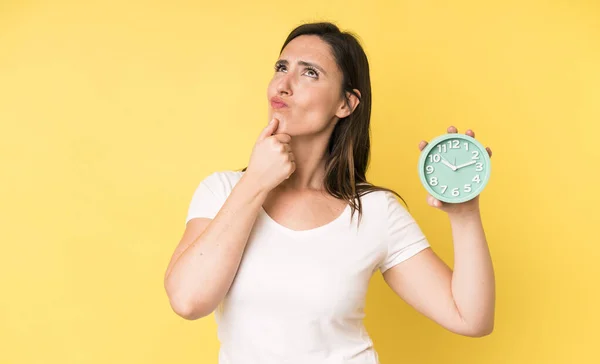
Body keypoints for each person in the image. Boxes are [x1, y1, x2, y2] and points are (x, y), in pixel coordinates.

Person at [164, 21, 495, 364]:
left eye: (309, 73)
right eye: (282, 67)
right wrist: (256, 182)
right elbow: (188, 301)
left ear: (346, 104)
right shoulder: (223, 191)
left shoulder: (375, 211)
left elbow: (470, 317)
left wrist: (465, 213)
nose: (284, 84)